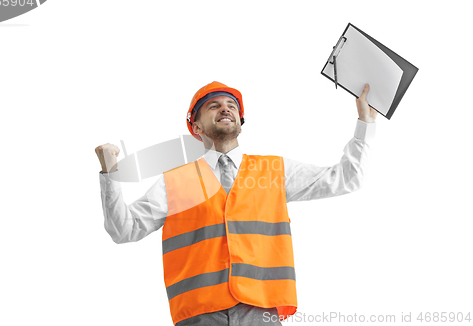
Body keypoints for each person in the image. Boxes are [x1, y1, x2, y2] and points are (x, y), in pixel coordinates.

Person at [95, 81, 377, 326]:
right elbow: (124, 230)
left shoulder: (274, 172)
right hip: (200, 316)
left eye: (231, 105)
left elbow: (347, 178)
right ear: (196, 126)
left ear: (241, 121)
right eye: (214, 106)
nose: (225, 109)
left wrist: (365, 123)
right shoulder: (175, 182)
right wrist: (110, 174)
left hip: (262, 312)